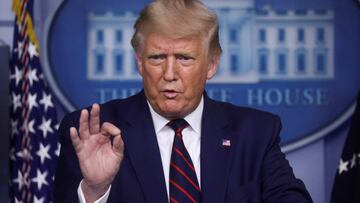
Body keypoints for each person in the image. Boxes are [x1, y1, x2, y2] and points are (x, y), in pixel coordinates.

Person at [53, 0, 313, 202]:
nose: (169, 74)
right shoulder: (93, 132)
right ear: (139, 62)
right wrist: (94, 189)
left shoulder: (255, 133)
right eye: (156, 58)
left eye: (184, 58)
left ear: (211, 65)